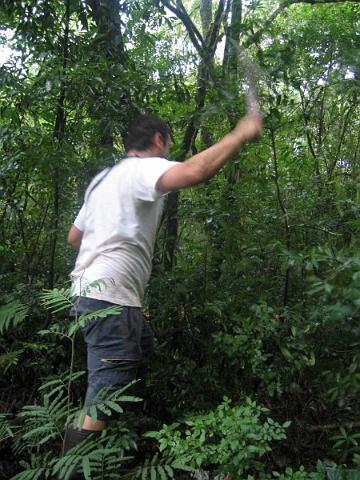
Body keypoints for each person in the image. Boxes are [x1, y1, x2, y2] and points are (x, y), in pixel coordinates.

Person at [64, 112, 262, 455]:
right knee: (105, 391)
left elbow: (73, 237)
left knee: (140, 352)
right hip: (111, 298)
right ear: (158, 139)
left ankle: (128, 447)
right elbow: (195, 171)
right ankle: (72, 466)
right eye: (168, 142)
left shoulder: (102, 181)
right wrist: (239, 134)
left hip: (87, 294)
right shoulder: (142, 169)